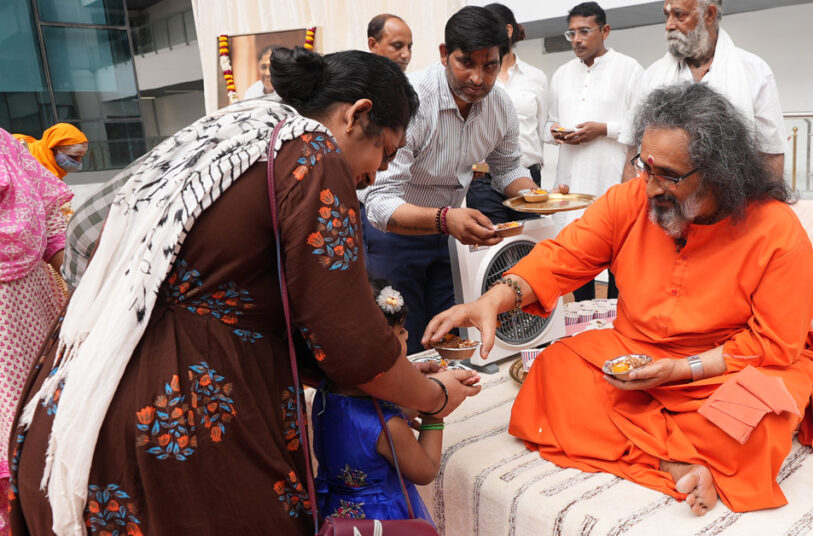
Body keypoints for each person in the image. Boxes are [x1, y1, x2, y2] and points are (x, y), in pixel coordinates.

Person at [8, 48, 481, 535]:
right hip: (179, 411)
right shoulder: (313, 151)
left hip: (87, 396)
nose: (378, 174)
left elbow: (85, 233)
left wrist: (401, 375)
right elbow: (350, 338)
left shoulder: (234, 132)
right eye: (386, 150)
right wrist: (432, 399)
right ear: (356, 114)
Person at [424, 84, 813, 516]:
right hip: (635, 354)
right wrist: (494, 298)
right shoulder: (628, 201)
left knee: (758, 421)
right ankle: (675, 462)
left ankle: (660, 443)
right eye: (645, 167)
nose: (651, 187)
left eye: (669, 176)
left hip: (726, 367)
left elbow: (774, 345)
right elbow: (563, 257)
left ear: (718, 171)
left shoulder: (776, 232)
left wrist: (683, 369)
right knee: (553, 370)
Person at [359, 6, 545, 354]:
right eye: (466, 64)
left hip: (448, 238)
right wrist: (445, 218)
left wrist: (541, 199)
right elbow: (380, 202)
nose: (478, 78)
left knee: (452, 336)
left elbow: (506, 169)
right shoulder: (411, 101)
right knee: (402, 340)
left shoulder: (500, 106)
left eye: (490, 66)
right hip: (394, 237)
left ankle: (446, 403)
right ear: (445, 54)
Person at [313, 279, 461, 524]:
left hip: (338, 515)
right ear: (377, 351)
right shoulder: (388, 428)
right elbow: (426, 470)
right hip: (384, 521)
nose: (407, 334)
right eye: (400, 331)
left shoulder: (326, 393)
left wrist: (413, 381)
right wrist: (436, 408)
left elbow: (361, 421)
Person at [621, 0, 786, 180]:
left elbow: (771, 153)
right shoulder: (652, 75)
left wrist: (767, 205)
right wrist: (630, 206)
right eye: (667, 15)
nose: (669, 25)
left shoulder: (755, 72)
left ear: (709, 14)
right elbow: (632, 148)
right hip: (663, 199)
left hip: (731, 200)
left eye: (679, 15)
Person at [0, 128, 72, 533]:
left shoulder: (7, 143)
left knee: (51, 410)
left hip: (38, 304)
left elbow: (49, 218)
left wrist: (83, 285)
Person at [546, 1, 643, 301]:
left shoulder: (629, 69)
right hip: (572, 183)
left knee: (619, 260)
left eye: (584, 31)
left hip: (612, 180)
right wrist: (557, 132)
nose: (576, 39)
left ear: (605, 31)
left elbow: (641, 125)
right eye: (571, 33)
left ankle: (618, 327)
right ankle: (582, 330)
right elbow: (550, 122)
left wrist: (602, 129)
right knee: (578, 258)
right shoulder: (561, 74)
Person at [466, 2, 548, 225]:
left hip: (526, 177)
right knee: (490, 251)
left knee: (529, 247)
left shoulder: (536, 77)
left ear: (508, 31)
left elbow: (541, 127)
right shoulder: (474, 78)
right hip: (483, 180)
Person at [12, 123, 89, 180]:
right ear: (53, 149)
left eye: (81, 157)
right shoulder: (20, 153)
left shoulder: (54, 176)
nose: (78, 162)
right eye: (73, 157)